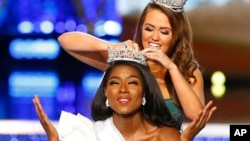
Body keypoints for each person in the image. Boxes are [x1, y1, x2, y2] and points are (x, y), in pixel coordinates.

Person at [58, 0, 205, 130]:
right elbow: (66, 40)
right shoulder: (127, 63)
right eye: (149, 29)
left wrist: (172, 68)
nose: (154, 37)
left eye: (164, 32)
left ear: (177, 34)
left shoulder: (187, 71)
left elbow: (198, 116)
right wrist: (113, 47)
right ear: (141, 29)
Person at [33, 46, 216, 141]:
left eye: (132, 83)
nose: (123, 89)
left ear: (145, 92)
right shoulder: (88, 135)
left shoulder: (166, 136)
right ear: (105, 92)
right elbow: (67, 40)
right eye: (114, 82)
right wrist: (54, 139)